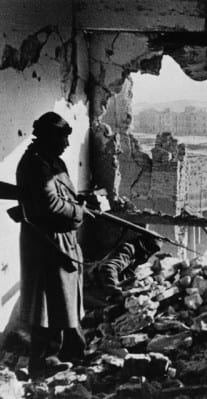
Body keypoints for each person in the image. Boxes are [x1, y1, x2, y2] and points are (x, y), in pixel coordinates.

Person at [16, 112, 89, 379]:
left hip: (61, 240)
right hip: (45, 242)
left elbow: (64, 195)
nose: (67, 144)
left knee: (62, 300)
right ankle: (41, 363)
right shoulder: (35, 165)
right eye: (63, 138)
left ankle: (60, 354)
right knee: (46, 303)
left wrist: (83, 200)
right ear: (48, 137)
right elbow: (51, 206)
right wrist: (79, 211)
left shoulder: (53, 161)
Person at [87, 235, 161, 303]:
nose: (148, 255)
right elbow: (109, 268)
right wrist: (116, 292)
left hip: (101, 288)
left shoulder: (137, 256)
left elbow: (126, 275)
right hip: (92, 286)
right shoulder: (129, 249)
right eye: (150, 249)